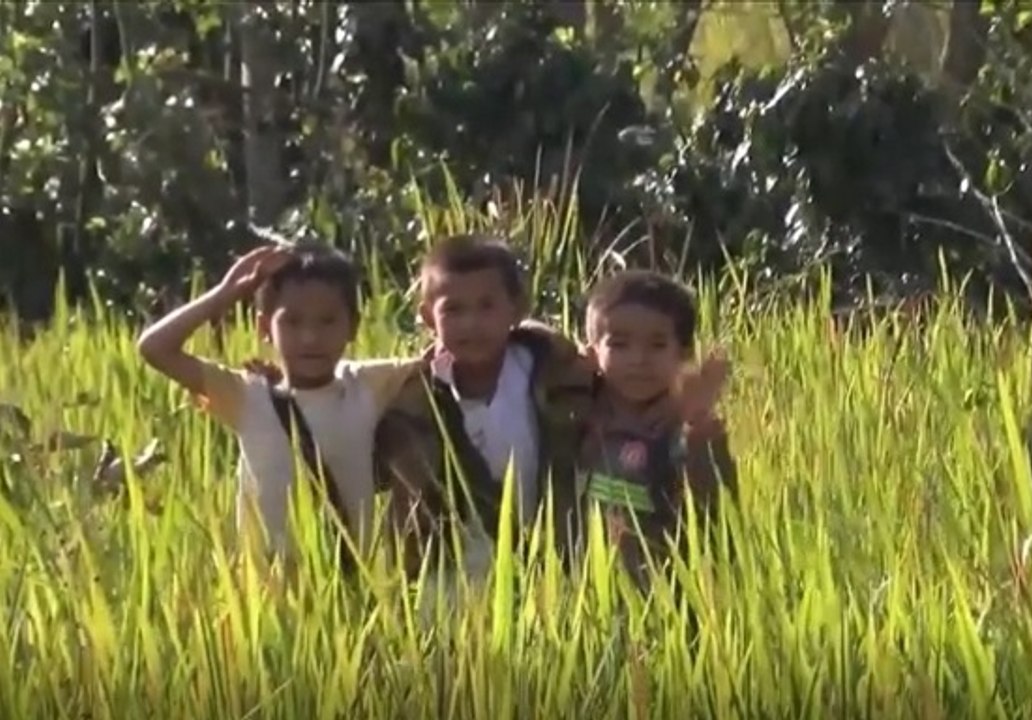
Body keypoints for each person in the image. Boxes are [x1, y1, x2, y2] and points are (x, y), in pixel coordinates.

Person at [136, 241, 421, 579]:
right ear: (264, 328)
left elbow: (445, 360)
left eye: (328, 321)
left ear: (353, 326)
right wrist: (224, 295)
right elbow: (154, 348)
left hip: (348, 581)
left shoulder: (367, 384)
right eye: (293, 322)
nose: (311, 337)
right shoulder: (245, 394)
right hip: (268, 587)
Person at [374, 234, 596, 588]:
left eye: (486, 306)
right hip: (450, 577)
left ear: (517, 308)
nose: (471, 324)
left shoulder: (556, 375)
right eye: (454, 310)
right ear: (429, 317)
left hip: (553, 566)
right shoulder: (412, 396)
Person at [576, 269, 737, 597]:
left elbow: (715, 512)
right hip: (583, 592)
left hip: (663, 594)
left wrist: (698, 427)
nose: (638, 360)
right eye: (619, 344)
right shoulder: (576, 408)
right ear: (592, 353)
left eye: (657, 345)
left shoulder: (685, 428)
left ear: (684, 354)